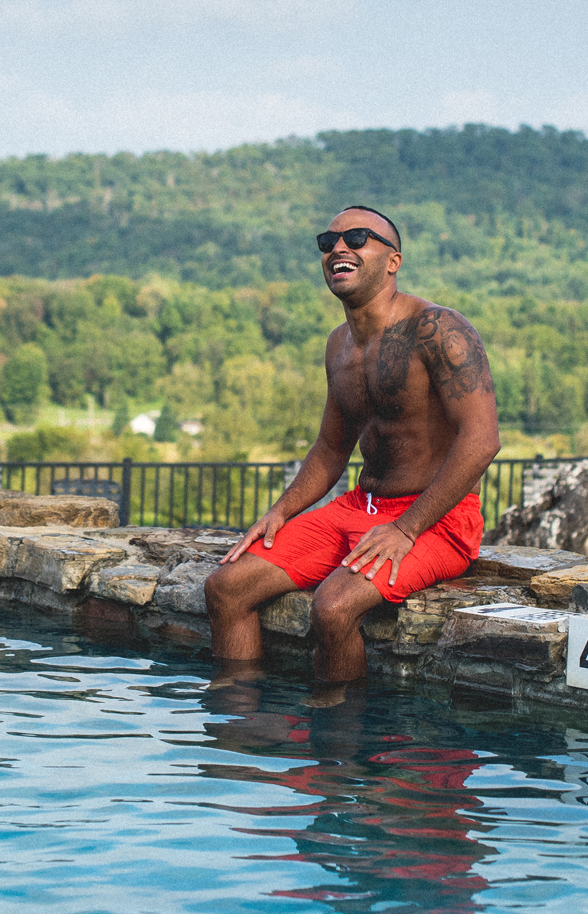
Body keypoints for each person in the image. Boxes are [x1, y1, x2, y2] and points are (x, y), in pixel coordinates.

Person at [204, 206, 500, 692]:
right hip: (356, 509)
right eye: (328, 241)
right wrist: (281, 511)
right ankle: (241, 722)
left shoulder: (438, 328)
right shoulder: (339, 344)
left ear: (393, 261)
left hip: (435, 520)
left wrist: (406, 528)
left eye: (358, 238)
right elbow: (330, 447)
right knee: (225, 587)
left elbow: (482, 440)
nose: (339, 248)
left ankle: (338, 743)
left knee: (333, 605)